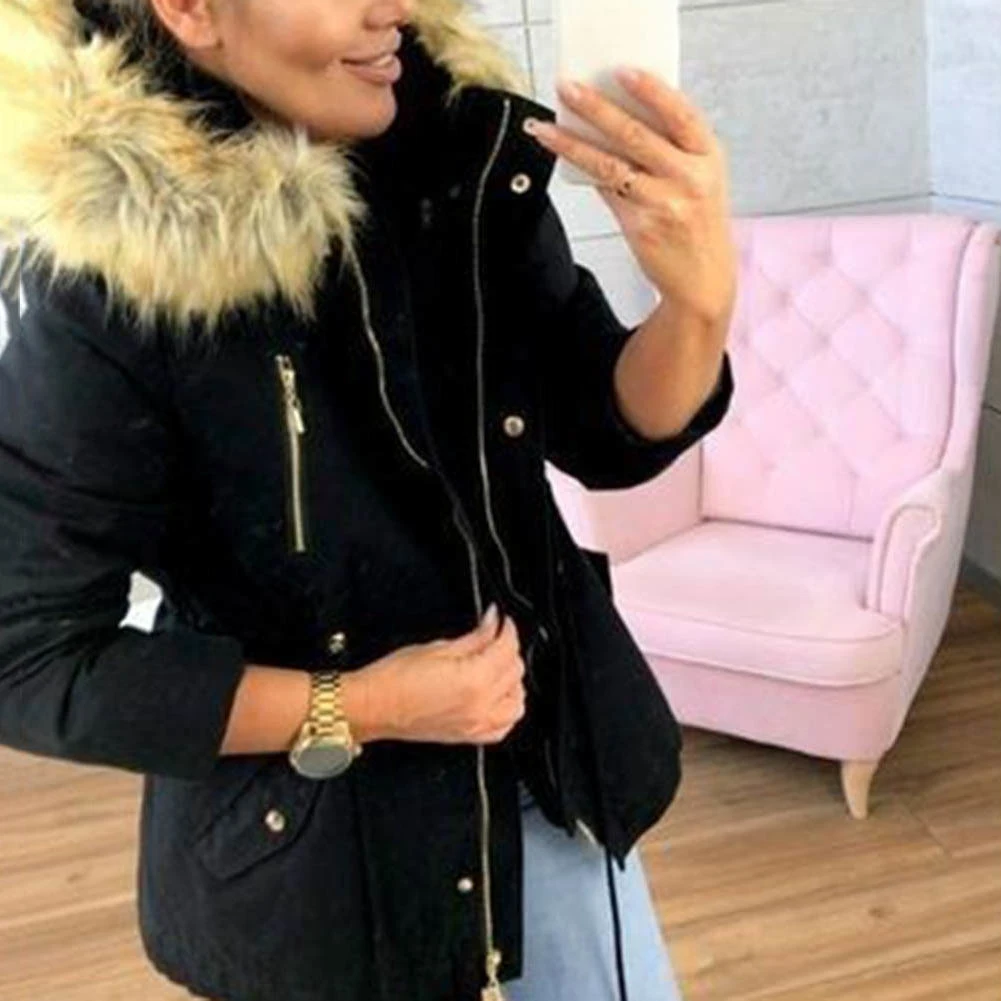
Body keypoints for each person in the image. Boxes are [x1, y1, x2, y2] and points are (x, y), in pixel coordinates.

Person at [0, 1, 737, 1000]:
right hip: (313, 849)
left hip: (541, 764)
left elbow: (601, 431)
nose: (393, 6)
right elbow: (27, 654)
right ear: (190, 9)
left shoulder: (463, 157)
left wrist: (697, 304)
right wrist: (366, 705)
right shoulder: (107, 276)